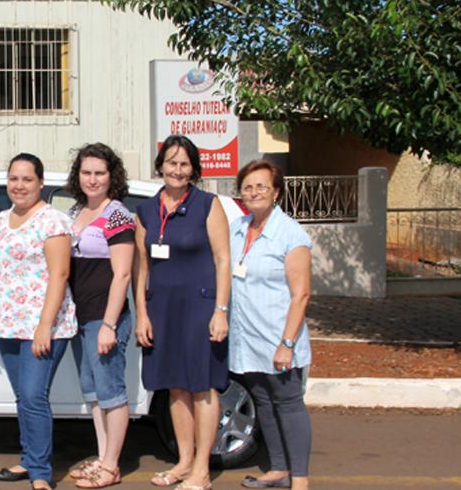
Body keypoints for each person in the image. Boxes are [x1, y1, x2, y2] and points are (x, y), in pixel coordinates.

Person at [134, 135, 230, 490]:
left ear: (194, 169)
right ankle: (184, 462)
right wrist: (142, 314)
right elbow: (141, 269)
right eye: (172, 163)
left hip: (200, 306)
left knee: (202, 386)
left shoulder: (208, 204)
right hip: (162, 309)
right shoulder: (145, 211)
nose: (177, 170)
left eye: (184, 164)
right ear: (161, 166)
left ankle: (202, 470)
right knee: (175, 388)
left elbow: (222, 260)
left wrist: (220, 311)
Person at [0, 153, 76, 490]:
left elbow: (60, 274)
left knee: (35, 396)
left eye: (27, 179)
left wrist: (43, 326)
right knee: (23, 396)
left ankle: (40, 472)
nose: (19, 185)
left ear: (40, 183)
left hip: (45, 325)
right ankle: (28, 458)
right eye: (14, 179)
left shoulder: (53, 221)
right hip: (8, 324)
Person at [228, 160, 313, 490]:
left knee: (289, 403)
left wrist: (287, 343)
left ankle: (301, 480)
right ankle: (279, 469)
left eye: (261, 186)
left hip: (279, 338)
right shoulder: (238, 228)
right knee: (263, 401)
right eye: (248, 187)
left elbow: (302, 294)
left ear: (276, 191)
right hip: (248, 338)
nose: (254, 192)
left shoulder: (290, 233)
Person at [64, 143, 135, 489]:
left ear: (112, 176)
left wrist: (109, 324)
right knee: (94, 395)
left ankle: (110, 466)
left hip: (103, 318)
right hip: (78, 317)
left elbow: (122, 274)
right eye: (86, 172)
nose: (92, 179)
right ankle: (104, 457)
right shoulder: (75, 210)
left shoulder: (117, 214)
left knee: (111, 392)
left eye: (100, 173)